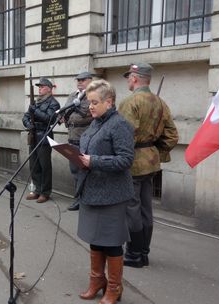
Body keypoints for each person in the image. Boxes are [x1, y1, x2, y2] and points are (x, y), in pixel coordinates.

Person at [76, 79, 134, 304]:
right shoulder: (96, 122)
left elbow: (126, 160)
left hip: (112, 195)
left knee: (111, 242)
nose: (90, 106)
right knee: (95, 239)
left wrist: (93, 161)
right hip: (92, 190)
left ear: (109, 102)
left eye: (94, 102)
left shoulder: (119, 124)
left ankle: (114, 288)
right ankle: (97, 280)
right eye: (89, 102)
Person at [118, 63, 179, 268]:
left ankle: (134, 254)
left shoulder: (129, 102)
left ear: (135, 78)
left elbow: (124, 137)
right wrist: (155, 151)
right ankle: (144, 252)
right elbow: (172, 136)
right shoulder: (161, 103)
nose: (128, 80)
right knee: (146, 208)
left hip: (133, 162)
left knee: (131, 208)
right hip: (151, 163)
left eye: (129, 77)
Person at [22, 78, 60, 203]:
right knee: (34, 165)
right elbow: (26, 117)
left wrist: (35, 111)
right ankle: (37, 190)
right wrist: (28, 125)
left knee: (45, 166)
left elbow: (49, 118)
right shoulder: (36, 102)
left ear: (49, 88)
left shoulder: (53, 103)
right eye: (39, 87)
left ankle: (45, 192)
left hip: (44, 135)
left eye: (42, 86)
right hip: (33, 134)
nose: (39, 89)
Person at [62, 72, 96, 211]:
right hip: (72, 137)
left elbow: (89, 115)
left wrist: (77, 112)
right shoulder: (72, 96)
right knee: (75, 171)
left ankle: (86, 199)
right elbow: (65, 112)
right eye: (78, 80)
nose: (79, 82)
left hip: (85, 138)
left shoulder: (92, 96)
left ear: (90, 80)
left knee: (85, 172)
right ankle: (78, 199)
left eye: (83, 80)